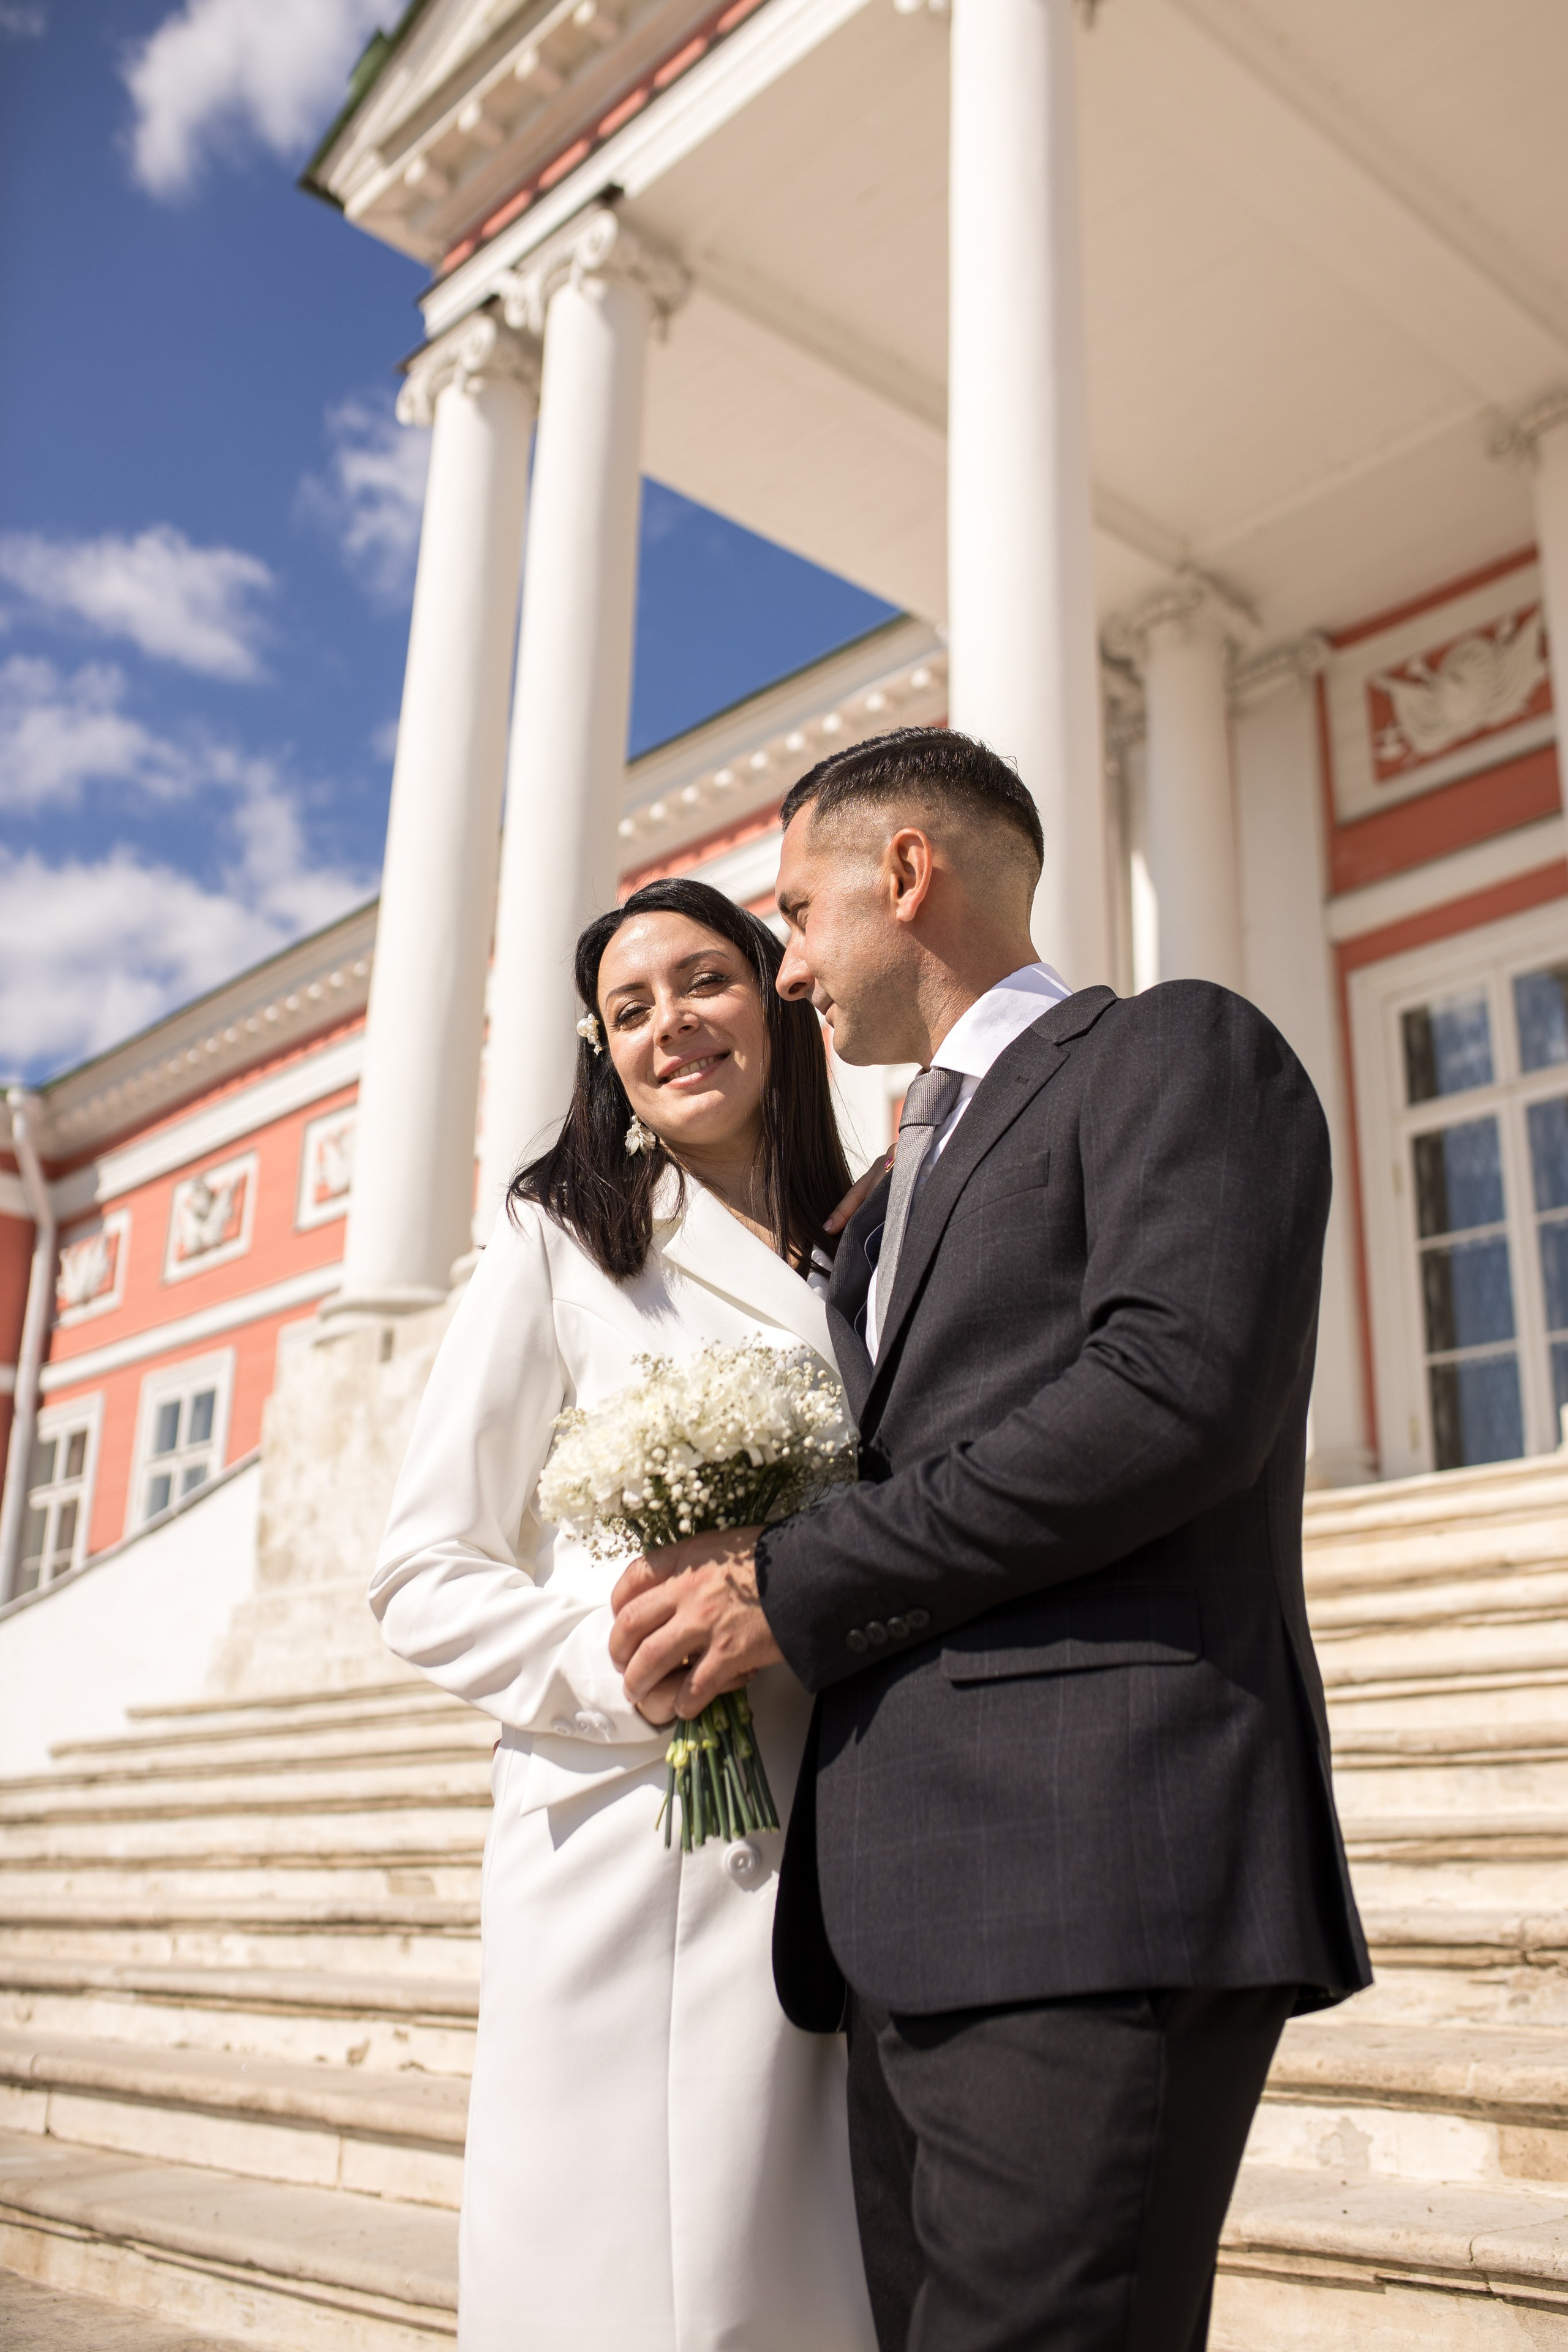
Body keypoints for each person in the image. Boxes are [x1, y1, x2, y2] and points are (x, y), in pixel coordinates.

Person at [610, 730, 1371, 2352]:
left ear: (907, 874)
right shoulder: (881, 1204)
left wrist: (789, 1584)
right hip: (896, 1909)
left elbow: (1173, 1398)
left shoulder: (1173, 1051)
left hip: (1099, 1864)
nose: (790, 965)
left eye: (799, 914)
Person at [370, 877, 877, 2352]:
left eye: (704, 982)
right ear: (603, 1052)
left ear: (773, 998)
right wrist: (618, 1671)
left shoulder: (867, 1245)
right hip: (632, 1827)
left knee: (795, 2272)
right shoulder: (560, 1239)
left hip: (838, 1823)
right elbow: (422, 1568)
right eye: (630, 1009)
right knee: (620, 2275)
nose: (674, 1027)